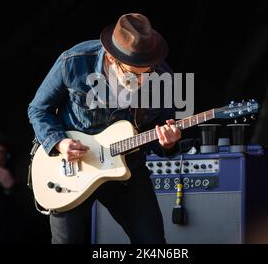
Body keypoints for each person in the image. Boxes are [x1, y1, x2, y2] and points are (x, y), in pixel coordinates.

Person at [28, 13, 181, 244]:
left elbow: (161, 134)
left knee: (153, 243)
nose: (140, 81)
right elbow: (38, 109)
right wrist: (59, 142)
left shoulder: (162, 76)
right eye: (131, 74)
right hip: (71, 167)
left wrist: (168, 143)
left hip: (128, 168)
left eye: (146, 73)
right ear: (111, 58)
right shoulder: (75, 61)